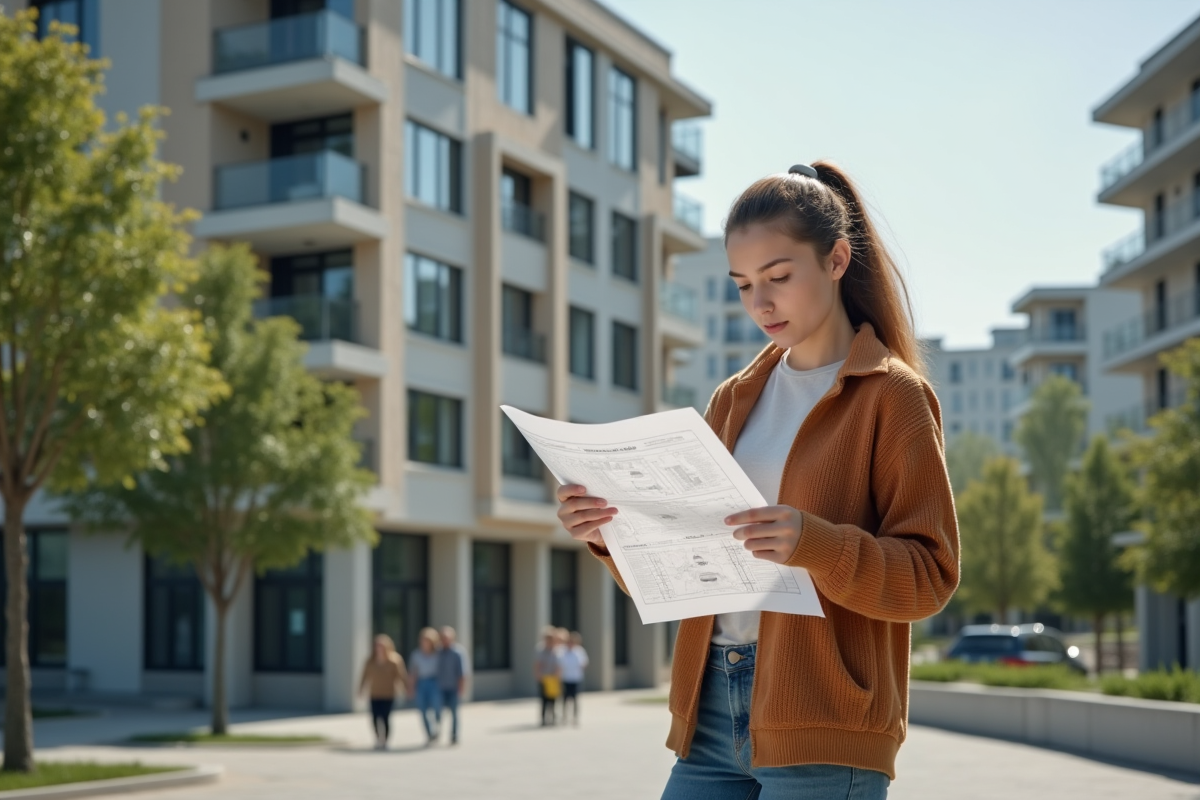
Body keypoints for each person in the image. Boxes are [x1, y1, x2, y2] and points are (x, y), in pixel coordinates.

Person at [556, 162, 959, 799]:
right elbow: (690, 570)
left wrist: (813, 542)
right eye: (743, 285)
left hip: (825, 721)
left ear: (835, 261)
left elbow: (930, 576)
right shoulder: (734, 399)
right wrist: (609, 534)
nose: (760, 303)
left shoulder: (893, 396)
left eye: (778, 277)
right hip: (711, 709)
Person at [358, 634, 407, 750]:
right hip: (374, 693)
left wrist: (406, 688)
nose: (379, 648)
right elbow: (364, 676)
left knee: (385, 717)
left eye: (381, 646)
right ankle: (378, 738)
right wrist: (360, 689)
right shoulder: (370, 661)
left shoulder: (394, 660)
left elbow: (401, 676)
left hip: (388, 694)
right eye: (377, 645)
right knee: (375, 717)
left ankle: (385, 740)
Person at [407, 627, 443, 745]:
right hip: (421, 682)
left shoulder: (439, 654)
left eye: (427, 640)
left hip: (434, 682)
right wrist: (411, 688)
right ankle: (429, 733)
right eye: (423, 640)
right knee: (422, 710)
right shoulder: (416, 654)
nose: (425, 643)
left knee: (436, 706)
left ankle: (437, 725)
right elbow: (413, 672)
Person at [436, 625, 470, 745]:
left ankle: (454, 735)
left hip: (453, 687)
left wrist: (462, 688)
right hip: (440, 687)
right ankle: (436, 732)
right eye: (442, 637)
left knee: (454, 713)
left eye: (446, 638)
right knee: (438, 711)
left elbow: (463, 672)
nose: (444, 640)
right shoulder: (438, 652)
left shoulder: (458, 653)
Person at [558, 630, 588, 726]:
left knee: (575, 699)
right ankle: (564, 717)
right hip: (565, 678)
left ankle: (575, 717)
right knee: (564, 699)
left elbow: (584, 663)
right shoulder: (562, 650)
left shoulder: (579, 651)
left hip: (575, 678)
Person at [533, 626, 561, 726]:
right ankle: (543, 719)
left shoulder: (556, 650)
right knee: (543, 699)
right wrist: (538, 675)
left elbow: (558, 665)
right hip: (544, 678)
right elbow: (538, 664)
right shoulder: (540, 649)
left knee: (553, 699)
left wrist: (557, 677)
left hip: (553, 678)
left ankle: (553, 718)